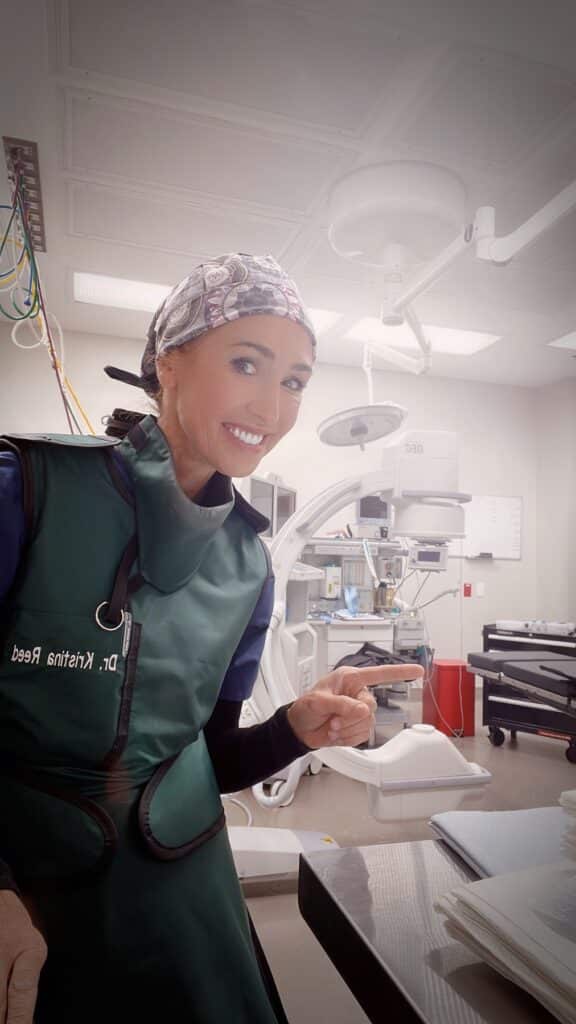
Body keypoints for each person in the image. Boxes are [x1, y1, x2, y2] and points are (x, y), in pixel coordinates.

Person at [0, 252, 422, 1023]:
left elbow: (209, 757)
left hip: (183, 885)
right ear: (169, 363)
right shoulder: (26, 491)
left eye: (294, 381)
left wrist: (295, 729)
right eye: (245, 363)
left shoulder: (246, 566)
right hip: (28, 892)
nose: (271, 405)